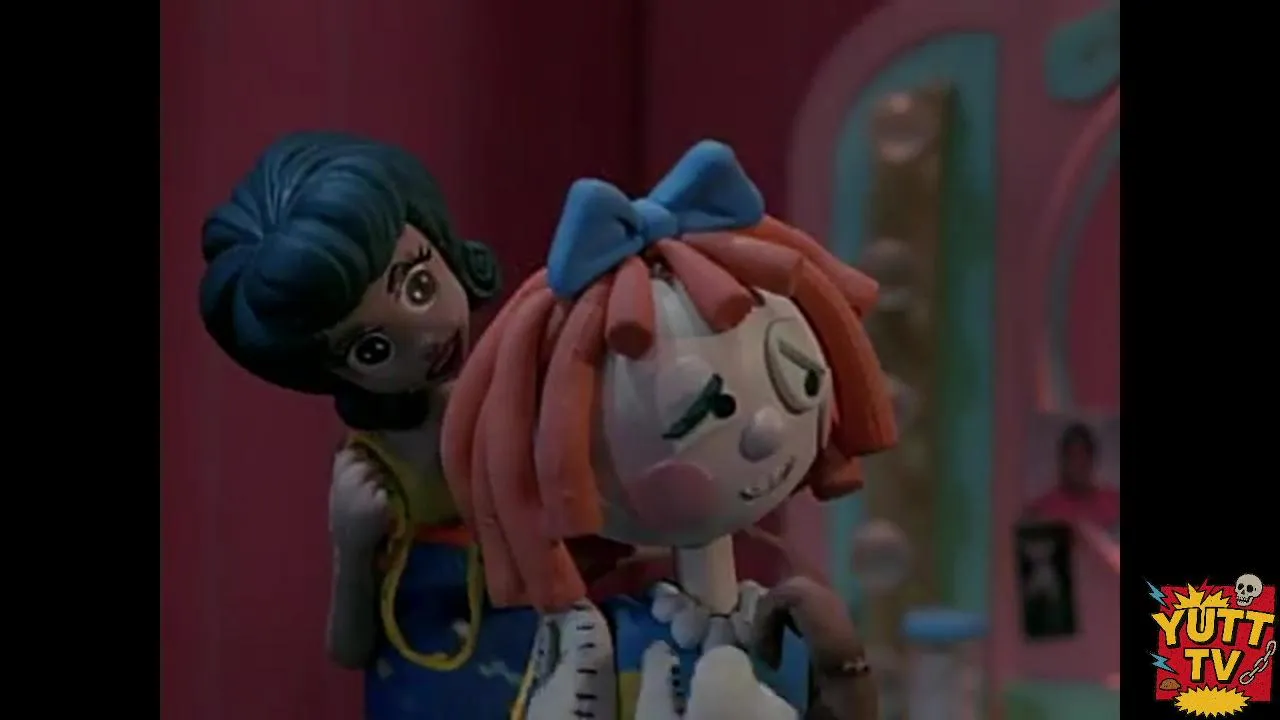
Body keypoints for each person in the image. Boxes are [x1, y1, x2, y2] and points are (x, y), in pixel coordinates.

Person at [440, 140, 897, 719]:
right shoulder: (604, 648)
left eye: (801, 380)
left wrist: (842, 664)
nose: (764, 430)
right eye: (697, 414)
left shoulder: (788, 629)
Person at [199, 131, 547, 719]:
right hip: (420, 694)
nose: (425, 335)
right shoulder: (371, 469)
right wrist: (353, 544)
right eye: (373, 348)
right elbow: (349, 646)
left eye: (419, 284)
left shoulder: (516, 398)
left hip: (541, 674)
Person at [1026, 421, 1119, 530]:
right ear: (1062, 461)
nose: (1076, 464)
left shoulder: (1114, 503)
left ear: (1092, 460)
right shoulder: (1041, 509)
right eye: (1071, 457)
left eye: (1082, 456)